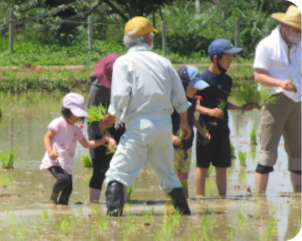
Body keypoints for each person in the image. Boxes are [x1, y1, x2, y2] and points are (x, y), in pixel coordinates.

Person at [100, 16, 192, 216]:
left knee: (117, 174)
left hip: (138, 126)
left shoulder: (123, 62)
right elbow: (179, 96)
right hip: (163, 127)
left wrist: (109, 117)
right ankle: (185, 217)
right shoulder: (163, 62)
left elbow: (121, 95)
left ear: (127, 40)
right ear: (149, 39)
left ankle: (113, 222)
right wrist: (184, 122)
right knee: (168, 176)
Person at [195, 39, 254, 196]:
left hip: (222, 129)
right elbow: (192, 104)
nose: (231, 62)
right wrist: (209, 111)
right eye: (228, 58)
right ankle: (200, 200)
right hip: (205, 129)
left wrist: (241, 108)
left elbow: (224, 103)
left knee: (222, 167)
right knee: (202, 166)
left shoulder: (227, 80)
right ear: (216, 58)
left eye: (231, 58)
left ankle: (223, 199)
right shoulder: (202, 79)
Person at [253, 5, 302, 193]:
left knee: (298, 154)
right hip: (274, 100)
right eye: (296, 31)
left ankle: (298, 196)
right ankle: (259, 197)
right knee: (267, 153)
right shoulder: (267, 45)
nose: (299, 34)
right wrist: (280, 83)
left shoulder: (300, 45)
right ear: (285, 26)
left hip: (298, 101)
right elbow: (258, 75)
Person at [40, 93, 113, 205]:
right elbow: (47, 137)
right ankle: (53, 197)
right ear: (66, 111)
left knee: (68, 189)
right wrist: (50, 151)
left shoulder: (77, 129)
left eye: (79, 115)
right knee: (63, 180)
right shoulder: (58, 123)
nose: (78, 118)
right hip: (54, 161)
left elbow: (87, 144)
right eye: (75, 114)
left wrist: (102, 141)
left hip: (67, 163)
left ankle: (63, 208)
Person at [87, 53, 125, 203]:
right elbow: (92, 119)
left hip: (120, 126)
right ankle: (93, 204)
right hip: (100, 130)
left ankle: (119, 200)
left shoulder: (127, 83)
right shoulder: (97, 89)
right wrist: (107, 137)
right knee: (100, 169)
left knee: (121, 166)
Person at [171, 66, 211, 198]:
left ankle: (183, 203)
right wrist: (171, 136)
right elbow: (162, 120)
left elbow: (191, 116)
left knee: (184, 175)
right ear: (182, 84)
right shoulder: (171, 100)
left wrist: (201, 130)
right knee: (171, 176)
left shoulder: (192, 99)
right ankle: (169, 206)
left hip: (187, 144)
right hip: (172, 146)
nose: (196, 90)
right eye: (193, 87)